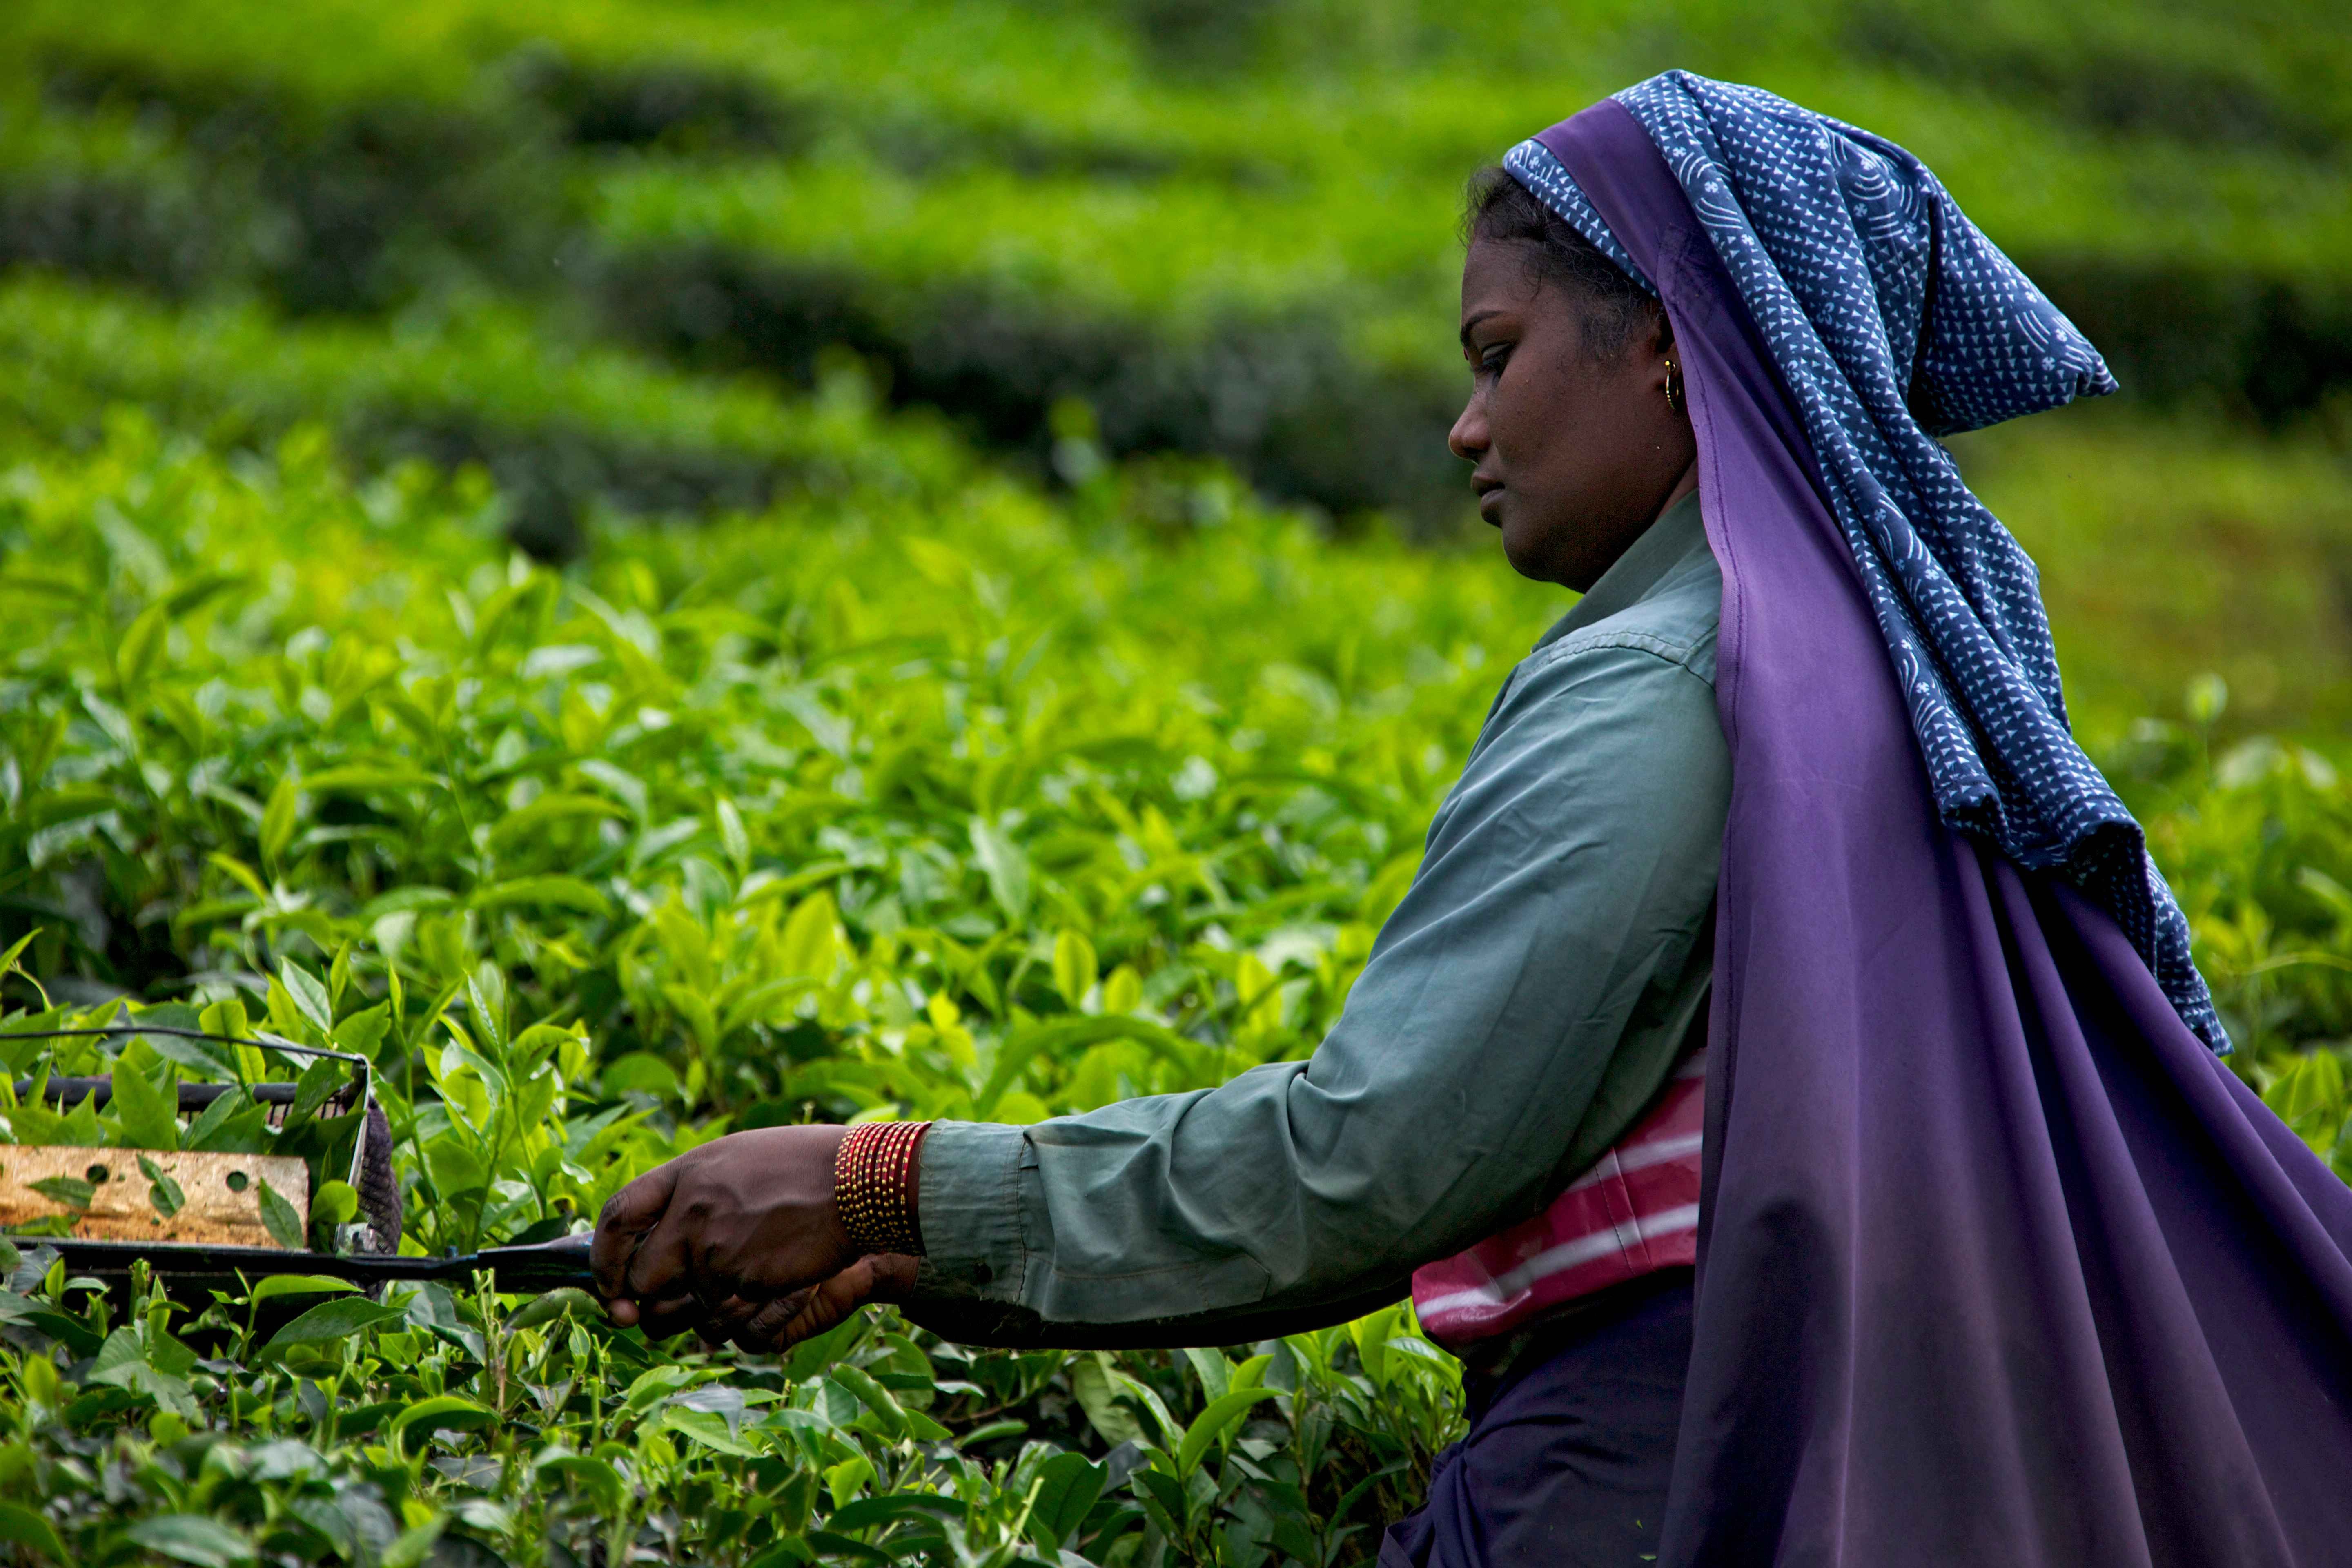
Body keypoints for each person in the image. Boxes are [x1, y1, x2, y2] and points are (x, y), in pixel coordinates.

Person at [596, 73, 2352, 1566]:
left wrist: (877, 1185)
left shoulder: (1674, 678)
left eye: (1498, 354)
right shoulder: (1868, 672)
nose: (1465, 426)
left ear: (1665, 344)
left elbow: (1373, 1161)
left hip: (1651, 1461)